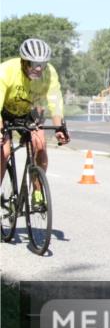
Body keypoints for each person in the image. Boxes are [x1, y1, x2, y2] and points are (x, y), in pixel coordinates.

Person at [1, 39, 70, 207]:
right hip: (5, 112)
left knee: (40, 145)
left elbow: (55, 100)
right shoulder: (6, 71)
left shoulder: (49, 73)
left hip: (29, 113)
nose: (39, 69)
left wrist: (59, 127)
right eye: (33, 64)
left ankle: (37, 192)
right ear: (23, 61)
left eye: (42, 64)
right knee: (4, 151)